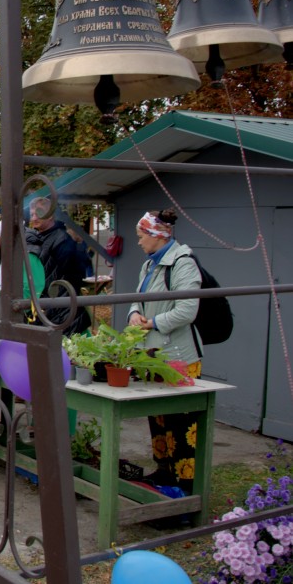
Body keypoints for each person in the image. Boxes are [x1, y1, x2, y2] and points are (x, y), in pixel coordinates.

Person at [127, 209, 203, 493]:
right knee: (158, 421)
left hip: (178, 358)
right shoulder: (149, 265)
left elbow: (187, 309)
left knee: (181, 426)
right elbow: (138, 297)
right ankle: (163, 475)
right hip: (153, 356)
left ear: (157, 235)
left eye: (141, 236)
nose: (138, 242)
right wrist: (135, 313)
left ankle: (185, 485)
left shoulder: (183, 264)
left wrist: (154, 322)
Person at [24, 198, 91, 336]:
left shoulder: (62, 240)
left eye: (39, 213)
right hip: (49, 309)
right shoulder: (39, 237)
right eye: (32, 214)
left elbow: (71, 278)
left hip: (62, 311)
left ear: (51, 215)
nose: (35, 218)